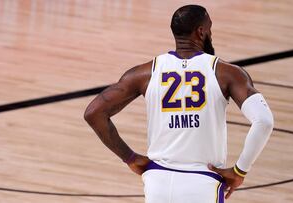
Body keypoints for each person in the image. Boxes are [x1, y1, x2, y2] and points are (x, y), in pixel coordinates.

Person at [84, 4, 274, 203]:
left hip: (158, 181)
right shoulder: (226, 73)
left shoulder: (144, 73)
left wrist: (130, 158)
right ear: (201, 32)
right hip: (203, 183)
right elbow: (264, 121)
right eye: (210, 28)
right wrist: (240, 170)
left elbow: (94, 113)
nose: (211, 33)